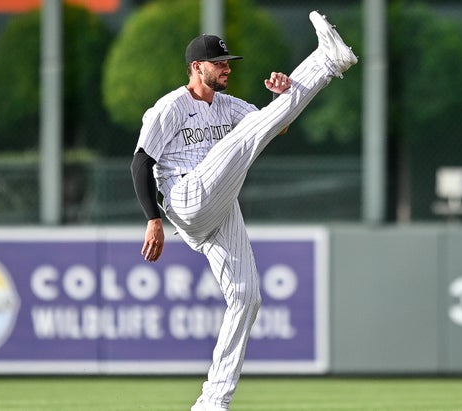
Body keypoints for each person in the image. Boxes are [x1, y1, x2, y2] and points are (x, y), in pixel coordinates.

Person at [130, 10, 357, 411]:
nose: (225, 68)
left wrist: (282, 95)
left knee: (247, 297)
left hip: (219, 203)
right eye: (218, 63)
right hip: (185, 195)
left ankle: (213, 401)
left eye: (227, 63)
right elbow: (140, 162)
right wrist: (152, 219)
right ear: (196, 67)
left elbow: (273, 127)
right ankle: (325, 62)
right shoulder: (169, 108)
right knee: (238, 143)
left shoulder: (229, 105)